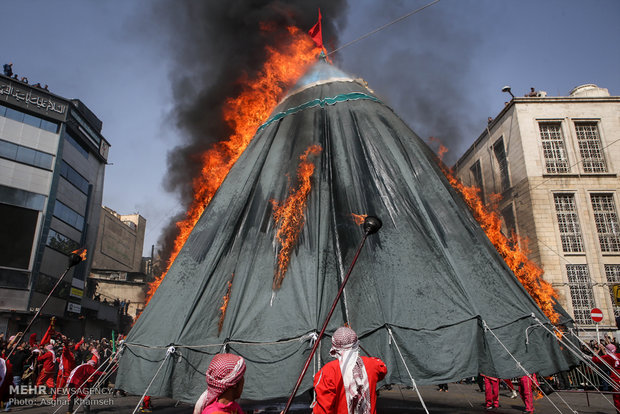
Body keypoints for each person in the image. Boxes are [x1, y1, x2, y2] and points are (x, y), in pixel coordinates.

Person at [312, 326, 387, 414]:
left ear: (335, 346)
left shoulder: (327, 371)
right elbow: (382, 371)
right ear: (356, 344)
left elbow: (323, 409)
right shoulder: (373, 364)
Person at [592, 343, 620, 412]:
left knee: (617, 398)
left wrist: (598, 351)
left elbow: (595, 359)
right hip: (616, 378)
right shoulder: (618, 355)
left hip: (615, 379)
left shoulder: (607, 357)